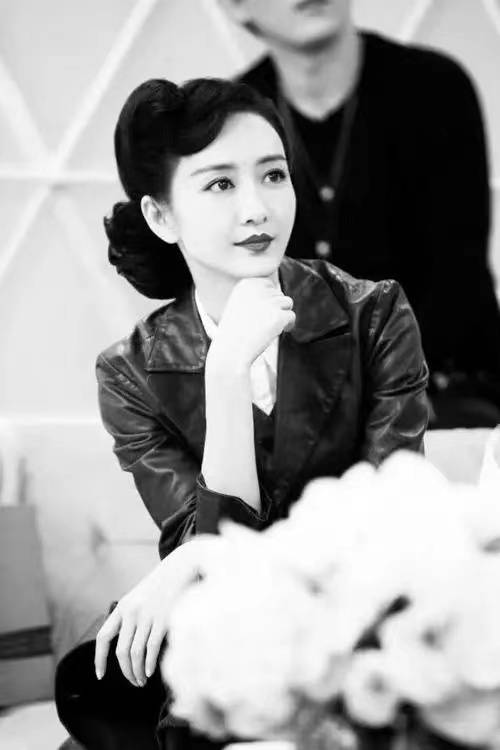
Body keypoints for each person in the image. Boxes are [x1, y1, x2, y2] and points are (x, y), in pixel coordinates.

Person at [56, 76, 428, 750]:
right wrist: (225, 376)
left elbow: (389, 516)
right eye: (220, 184)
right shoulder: (129, 372)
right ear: (162, 217)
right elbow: (200, 550)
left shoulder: (374, 315)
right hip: (223, 632)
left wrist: (195, 558)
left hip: (356, 622)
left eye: (273, 175)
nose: (258, 208)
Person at [218, 0, 500, 428]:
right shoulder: (231, 124)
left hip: (447, 393)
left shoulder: (434, 88)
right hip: (301, 413)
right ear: (236, 6)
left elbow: (456, 279)